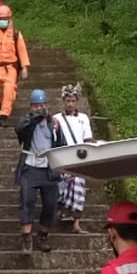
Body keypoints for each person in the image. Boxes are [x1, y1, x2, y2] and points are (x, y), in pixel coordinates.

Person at [15, 89, 64, 253]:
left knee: (51, 204)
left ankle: (43, 235)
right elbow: (19, 128)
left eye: (43, 105)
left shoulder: (54, 124)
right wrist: (35, 118)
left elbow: (61, 145)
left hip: (49, 168)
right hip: (30, 167)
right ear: (31, 107)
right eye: (36, 106)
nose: (40, 108)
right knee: (27, 201)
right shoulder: (27, 122)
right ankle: (26, 238)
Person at [0, 5, 31, 126]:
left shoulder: (16, 34)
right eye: (0, 19)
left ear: (9, 19)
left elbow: (22, 50)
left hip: (10, 68)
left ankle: (3, 115)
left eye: (4, 18)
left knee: (9, 91)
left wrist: (24, 67)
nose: (2, 21)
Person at [54, 84, 94, 233]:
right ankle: (62, 211)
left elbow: (88, 138)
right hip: (63, 158)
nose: (70, 104)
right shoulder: (56, 119)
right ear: (63, 101)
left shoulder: (83, 118)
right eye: (67, 101)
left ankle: (76, 222)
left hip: (80, 157)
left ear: (77, 101)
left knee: (78, 188)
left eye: (73, 101)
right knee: (62, 188)